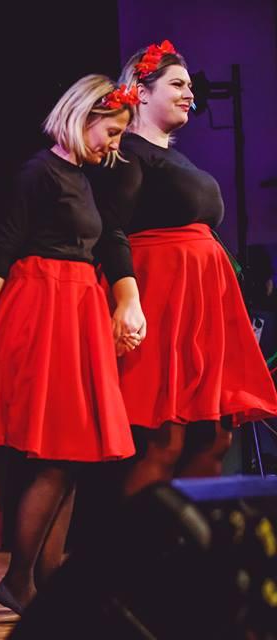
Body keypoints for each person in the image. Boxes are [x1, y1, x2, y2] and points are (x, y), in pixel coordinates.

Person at [0, 76, 142, 613]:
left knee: (74, 454)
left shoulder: (85, 178)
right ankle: (19, 580)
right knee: (57, 454)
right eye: (110, 131)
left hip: (77, 307)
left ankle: (47, 578)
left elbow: (108, 242)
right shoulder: (39, 172)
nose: (113, 144)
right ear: (83, 117)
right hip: (45, 307)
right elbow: (2, 252)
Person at [90, 41, 277, 495]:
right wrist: (127, 300)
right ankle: (136, 535)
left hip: (203, 304)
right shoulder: (129, 152)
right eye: (177, 84)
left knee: (216, 437)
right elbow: (111, 229)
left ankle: (190, 534)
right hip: (162, 297)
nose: (189, 93)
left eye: (190, 85)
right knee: (163, 440)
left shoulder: (176, 158)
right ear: (141, 91)